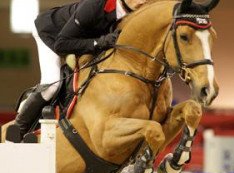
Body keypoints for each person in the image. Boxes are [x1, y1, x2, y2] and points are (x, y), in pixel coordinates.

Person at [14, 0, 148, 139]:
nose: (142, 1)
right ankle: (17, 129)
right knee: (52, 85)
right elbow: (61, 44)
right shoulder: (95, 6)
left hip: (78, 38)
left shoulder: (133, 15)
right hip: (50, 31)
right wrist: (100, 42)